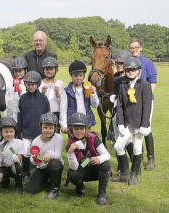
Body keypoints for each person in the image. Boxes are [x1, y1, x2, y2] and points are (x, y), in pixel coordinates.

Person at [113, 57, 152, 185]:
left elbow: (147, 106)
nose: (130, 72)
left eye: (133, 70)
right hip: (126, 121)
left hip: (140, 121)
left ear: (138, 71)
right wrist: (119, 122)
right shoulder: (122, 85)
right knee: (118, 146)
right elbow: (119, 105)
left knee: (137, 147)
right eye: (128, 70)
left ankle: (134, 174)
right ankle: (124, 174)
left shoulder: (145, 85)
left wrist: (145, 124)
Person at [65, 112, 110, 205]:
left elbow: (107, 155)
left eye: (81, 128)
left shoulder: (94, 139)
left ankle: (102, 193)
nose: (79, 131)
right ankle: (80, 187)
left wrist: (99, 159)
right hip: (83, 166)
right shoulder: (70, 144)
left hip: (95, 166)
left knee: (106, 164)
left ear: (86, 129)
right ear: (71, 130)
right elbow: (74, 167)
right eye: (76, 129)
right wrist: (70, 153)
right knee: (72, 174)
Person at [129, 38, 157, 170]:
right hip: (132, 101)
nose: (134, 50)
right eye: (132, 48)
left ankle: (151, 159)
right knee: (135, 128)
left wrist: (144, 97)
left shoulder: (148, 63)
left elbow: (153, 82)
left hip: (146, 101)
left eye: (136, 47)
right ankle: (138, 157)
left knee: (146, 128)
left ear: (141, 48)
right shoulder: (128, 63)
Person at [17, 71, 50, 180]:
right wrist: (19, 131)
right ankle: (25, 171)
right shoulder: (22, 98)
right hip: (26, 132)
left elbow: (47, 116)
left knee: (38, 152)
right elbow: (20, 116)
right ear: (25, 84)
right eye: (28, 84)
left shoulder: (43, 99)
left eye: (33, 84)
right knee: (26, 151)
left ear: (38, 84)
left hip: (39, 132)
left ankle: (38, 169)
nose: (30, 87)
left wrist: (45, 131)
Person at [27, 112, 63, 199]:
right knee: (31, 190)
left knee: (55, 163)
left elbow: (58, 155)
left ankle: (55, 189)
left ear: (55, 128)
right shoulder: (35, 141)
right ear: (40, 127)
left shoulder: (58, 138)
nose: (48, 130)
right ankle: (47, 180)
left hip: (54, 165)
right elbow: (33, 157)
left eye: (51, 128)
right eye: (45, 127)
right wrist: (35, 159)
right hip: (42, 166)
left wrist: (50, 154)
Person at [60, 60, 99, 133]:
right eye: (75, 75)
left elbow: (95, 105)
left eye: (80, 75)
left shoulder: (88, 88)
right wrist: (64, 125)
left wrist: (93, 94)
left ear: (84, 76)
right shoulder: (66, 91)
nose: (78, 78)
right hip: (73, 123)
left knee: (86, 143)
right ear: (71, 76)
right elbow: (63, 110)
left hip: (86, 122)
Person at [0, 117, 25, 193]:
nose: (9, 134)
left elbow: (20, 161)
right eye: (6, 132)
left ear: (15, 131)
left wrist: (17, 160)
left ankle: (19, 186)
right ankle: (5, 181)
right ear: (0, 133)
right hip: (4, 168)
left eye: (11, 131)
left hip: (14, 166)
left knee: (17, 168)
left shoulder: (19, 142)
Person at [39, 56, 65, 132]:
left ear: (56, 70)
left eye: (51, 69)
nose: (49, 71)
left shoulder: (59, 83)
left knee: (55, 135)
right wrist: (42, 93)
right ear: (43, 70)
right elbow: (37, 100)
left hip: (55, 113)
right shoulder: (40, 83)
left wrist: (58, 94)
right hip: (43, 113)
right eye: (47, 69)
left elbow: (63, 101)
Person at [3, 57, 28, 122]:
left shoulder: (27, 85)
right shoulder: (10, 86)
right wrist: (5, 117)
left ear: (25, 71)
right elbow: (7, 102)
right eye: (16, 71)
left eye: (20, 71)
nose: (18, 73)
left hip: (23, 118)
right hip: (11, 118)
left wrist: (21, 93)